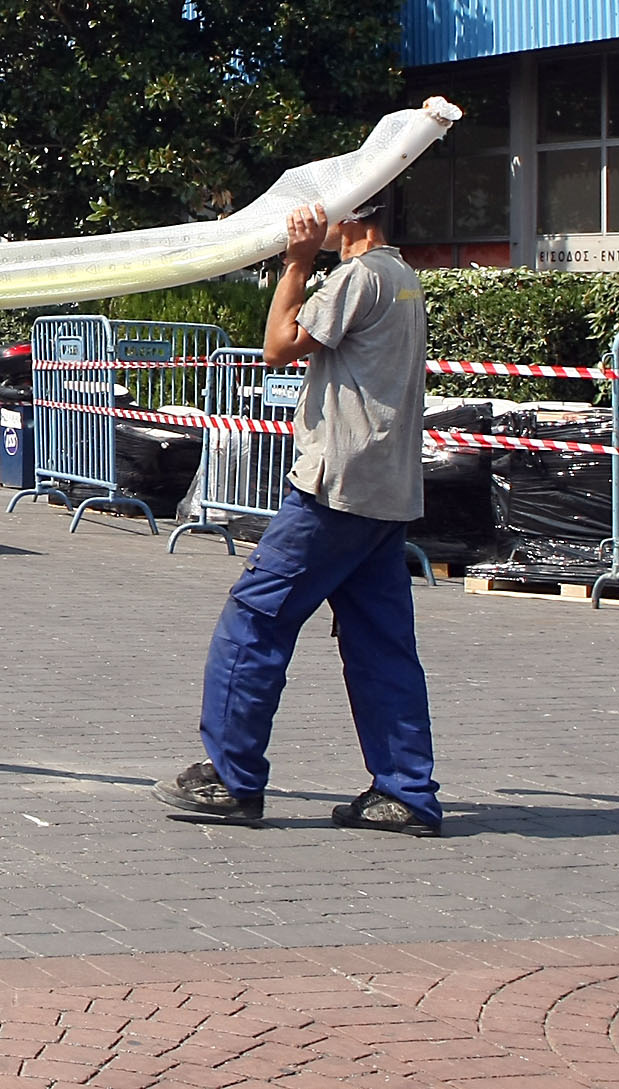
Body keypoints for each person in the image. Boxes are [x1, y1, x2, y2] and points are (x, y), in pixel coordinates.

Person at [156, 189, 442, 836]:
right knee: (382, 645)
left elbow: (279, 345)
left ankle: (233, 777)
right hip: (386, 493)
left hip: (334, 489)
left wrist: (295, 262)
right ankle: (406, 791)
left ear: (350, 217)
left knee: (255, 616)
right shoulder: (404, 279)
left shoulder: (358, 276)